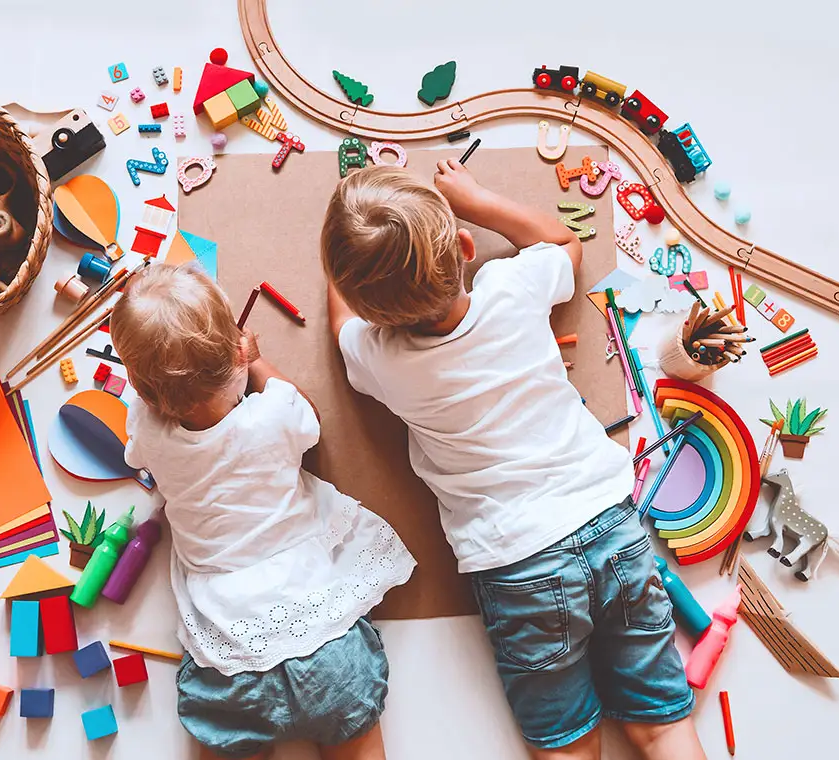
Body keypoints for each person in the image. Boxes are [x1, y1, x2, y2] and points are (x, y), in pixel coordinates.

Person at [320, 162, 706, 760]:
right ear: (465, 247)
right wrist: (475, 199)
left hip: (517, 562)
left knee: (568, 746)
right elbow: (564, 243)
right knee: (662, 724)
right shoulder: (512, 286)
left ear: (373, 312)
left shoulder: (380, 359)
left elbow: (341, 324)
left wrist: (342, 269)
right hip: (610, 525)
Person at [110, 264, 416, 760]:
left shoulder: (148, 431)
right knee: (356, 740)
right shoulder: (271, 415)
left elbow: (142, 431)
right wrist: (258, 363)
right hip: (319, 630)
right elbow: (308, 416)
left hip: (229, 652)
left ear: (143, 392)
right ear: (237, 351)